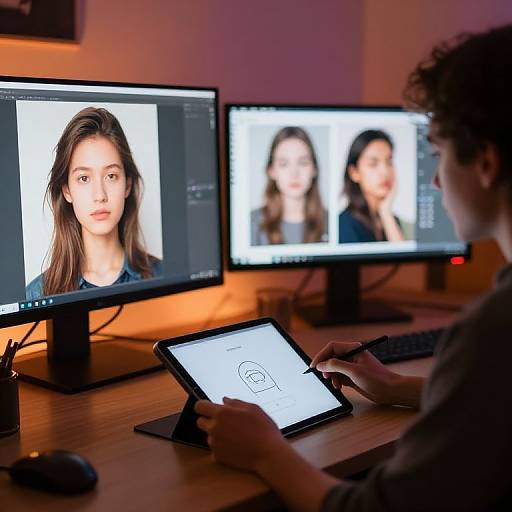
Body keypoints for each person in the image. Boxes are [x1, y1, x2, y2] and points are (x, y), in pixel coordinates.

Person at [195, 25, 512, 511]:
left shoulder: (493, 332)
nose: (432, 176)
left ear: (486, 162)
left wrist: (267, 451)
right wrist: (398, 388)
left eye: (437, 154)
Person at [26, 107, 162, 300]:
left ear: (127, 185)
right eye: (83, 178)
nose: (100, 195)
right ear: (67, 190)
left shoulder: (161, 274)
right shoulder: (36, 294)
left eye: (111, 176)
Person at [251, 126, 328, 245]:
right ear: (271, 171)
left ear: (314, 169)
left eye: (303, 163)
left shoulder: (333, 222)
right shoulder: (251, 222)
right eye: (284, 164)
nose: (294, 174)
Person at [338, 129, 405, 243]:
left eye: (389, 162)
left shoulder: (391, 220)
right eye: (373, 164)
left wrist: (385, 212)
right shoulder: (345, 223)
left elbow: (406, 259)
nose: (385, 172)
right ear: (354, 172)